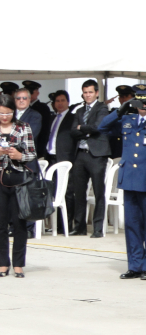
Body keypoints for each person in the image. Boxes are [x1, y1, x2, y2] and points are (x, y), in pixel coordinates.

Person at [99, 85, 146, 280]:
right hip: (130, 178)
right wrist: (119, 111)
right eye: (139, 101)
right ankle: (134, 265)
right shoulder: (128, 119)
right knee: (132, 224)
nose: (142, 105)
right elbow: (102, 127)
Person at [0, 93, 36, 278]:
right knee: (1, 223)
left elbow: (32, 153)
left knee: (19, 222)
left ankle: (19, 264)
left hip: (19, 178)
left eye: (8, 113)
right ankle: (2, 263)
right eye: (1, 113)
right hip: (0, 179)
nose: (5, 117)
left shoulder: (23, 127)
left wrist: (19, 156)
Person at [70, 79, 112, 237]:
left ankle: (97, 228)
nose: (87, 95)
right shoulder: (80, 111)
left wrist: (83, 128)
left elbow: (97, 127)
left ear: (96, 93)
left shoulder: (102, 108)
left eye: (90, 92)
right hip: (81, 153)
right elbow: (73, 131)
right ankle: (79, 226)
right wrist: (84, 130)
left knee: (98, 191)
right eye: (85, 92)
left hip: (97, 154)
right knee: (79, 192)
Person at [47, 90, 77, 233]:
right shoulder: (52, 117)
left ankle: (65, 225)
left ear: (68, 102)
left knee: (66, 192)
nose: (60, 103)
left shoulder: (72, 118)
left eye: (62, 100)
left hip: (65, 158)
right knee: (52, 191)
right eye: (57, 101)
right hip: (51, 157)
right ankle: (54, 225)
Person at [23, 80, 53, 160]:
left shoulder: (42, 108)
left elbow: (45, 130)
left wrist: (40, 150)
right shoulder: (23, 108)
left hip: (37, 147)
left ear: (37, 93)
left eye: (31, 92)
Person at [107, 85, 136, 159]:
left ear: (133, 97)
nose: (123, 99)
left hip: (131, 147)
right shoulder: (114, 112)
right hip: (115, 148)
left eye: (126, 96)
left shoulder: (137, 112)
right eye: (121, 96)